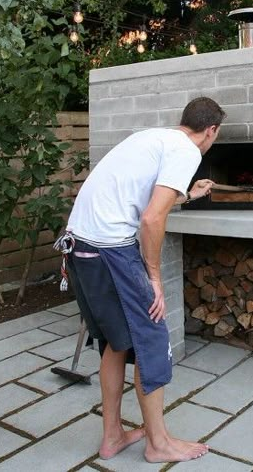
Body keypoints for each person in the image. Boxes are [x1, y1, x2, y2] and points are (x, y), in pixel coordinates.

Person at [54, 97, 225, 463]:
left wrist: (188, 195)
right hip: (110, 250)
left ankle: (113, 436)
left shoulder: (154, 137)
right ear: (211, 131)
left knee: (116, 344)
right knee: (151, 337)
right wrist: (154, 279)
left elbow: (142, 199)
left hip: (78, 246)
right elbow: (150, 219)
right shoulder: (186, 151)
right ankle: (158, 444)